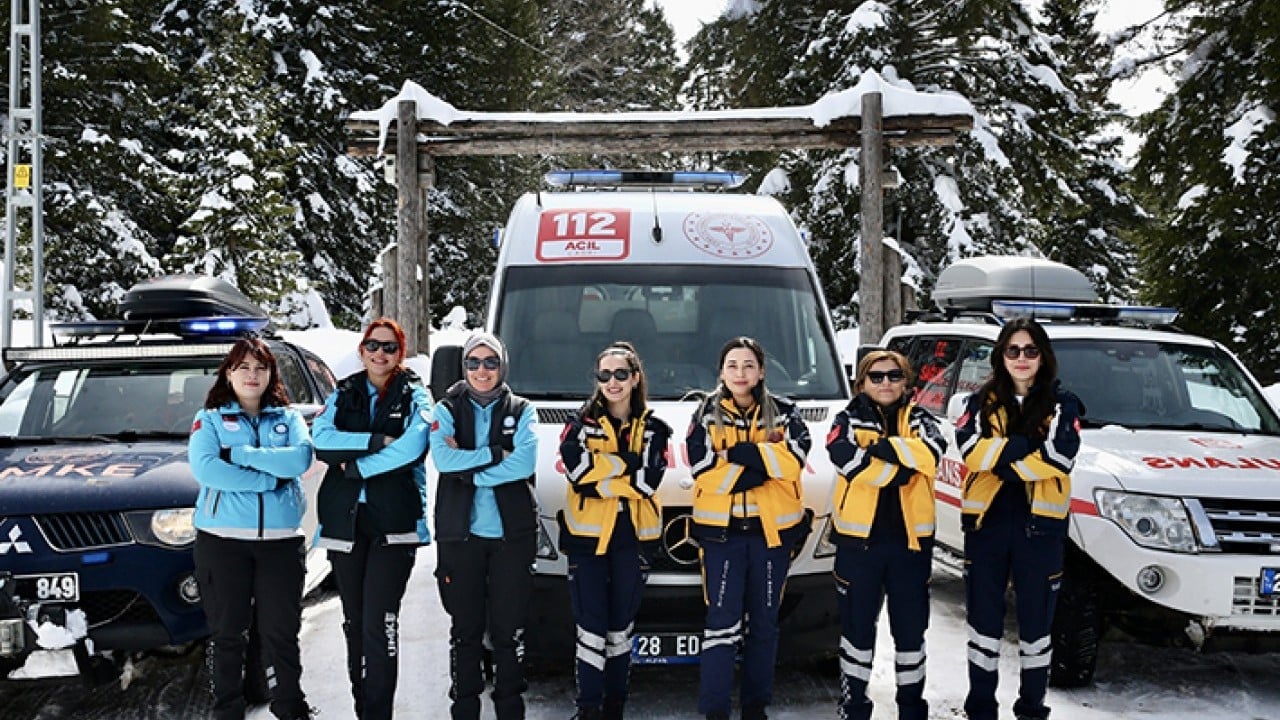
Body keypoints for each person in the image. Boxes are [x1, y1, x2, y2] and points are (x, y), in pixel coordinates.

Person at [957, 318, 1083, 720]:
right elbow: (972, 452)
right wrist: (1027, 445)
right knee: (983, 625)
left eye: (1030, 350)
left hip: (1040, 528)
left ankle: (1031, 708)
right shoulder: (978, 403)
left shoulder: (1065, 404)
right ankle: (981, 708)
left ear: (1043, 356)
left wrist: (1007, 465)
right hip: (987, 526)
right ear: (1001, 356)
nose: (1022, 358)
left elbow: (1061, 456)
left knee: (1035, 628)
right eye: (1013, 350)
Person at [687, 336, 812, 720]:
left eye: (748, 366)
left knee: (764, 626)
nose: (740, 374)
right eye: (732, 366)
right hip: (722, 538)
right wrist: (764, 468)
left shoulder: (787, 413)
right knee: (721, 626)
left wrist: (736, 455)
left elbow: (795, 461)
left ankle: (755, 708)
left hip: (770, 537)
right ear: (721, 372)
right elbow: (702, 470)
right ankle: (716, 711)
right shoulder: (705, 415)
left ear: (760, 372)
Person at [312, 318, 432, 720]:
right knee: (355, 622)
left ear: (400, 353)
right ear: (361, 350)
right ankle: (364, 709)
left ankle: (379, 713)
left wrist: (356, 467)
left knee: (380, 625)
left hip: (394, 523)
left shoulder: (415, 394)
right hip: (346, 521)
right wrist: (374, 441)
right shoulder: (343, 392)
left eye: (390, 347)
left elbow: (413, 447)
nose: (380, 354)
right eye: (373, 346)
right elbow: (322, 439)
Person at [188, 337, 314, 720]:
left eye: (260, 367)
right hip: (222, 544)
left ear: (271, 374)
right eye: (243, 367)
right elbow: (207, 468)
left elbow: (300, 459)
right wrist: (264, 479)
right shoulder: (208, 419)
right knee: (228, 634)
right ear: (228, 373)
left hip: (280, 544)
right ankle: (227, 710)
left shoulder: (288, 418)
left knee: (281, 634)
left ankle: (290, 707)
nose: (252, 375)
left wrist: (241, 455)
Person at [825, 350, 945, 720]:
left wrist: (882, 448)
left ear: (906, 382)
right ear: (861, 383)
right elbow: (846, 459)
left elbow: (933, 452)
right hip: (859, 547)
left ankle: (911, 709)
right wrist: (900, 471)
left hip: (911, 547)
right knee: (857, 634)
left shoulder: (920, 417)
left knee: (911, 637)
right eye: (876, 377)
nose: (886, 383)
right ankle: (854, 706)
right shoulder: (846, 419)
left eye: (894, 376)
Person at [558, 342, 672, 720]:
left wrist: (601, 472)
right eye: (604, 375)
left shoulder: (656, 428)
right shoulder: (579, 423)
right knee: (590, 628)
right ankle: (588, 709)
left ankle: (614, 708)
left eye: (621, 374)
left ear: (635, 378)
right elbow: (576, 475)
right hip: (587, 540)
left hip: (634, 540)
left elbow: (648, 482)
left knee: (620, 628)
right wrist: (626, 464)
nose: (612, 382)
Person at [431, 333, 539, 720]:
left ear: (502, 366)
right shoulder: (447, 408)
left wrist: (472, 472)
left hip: (512, 537)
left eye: (490, 362)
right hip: (461, 537)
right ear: (464, 366)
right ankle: (464, 710)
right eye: (474, 362)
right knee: (465, 633)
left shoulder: (523, 408)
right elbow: (443, 459)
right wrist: (495, 455)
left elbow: (524, 464)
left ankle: (510, 709)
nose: (482, 370)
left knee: (508, 634)